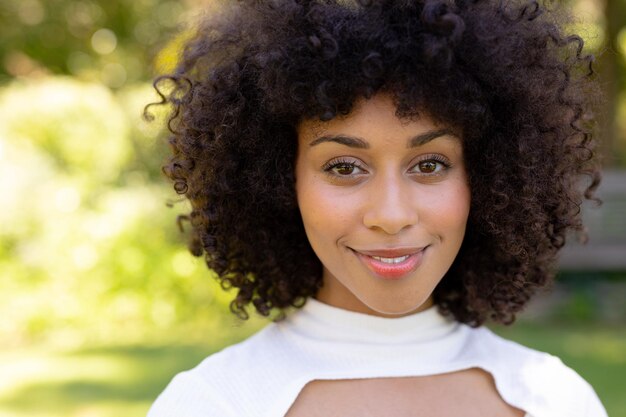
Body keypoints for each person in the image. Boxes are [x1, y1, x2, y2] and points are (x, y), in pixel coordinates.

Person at [147, 0, 607, 416]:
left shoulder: (556, 398)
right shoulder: (214, 402)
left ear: (484, 178)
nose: (391, 215)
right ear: (281, 181)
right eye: (345, 167)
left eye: (429, 164)